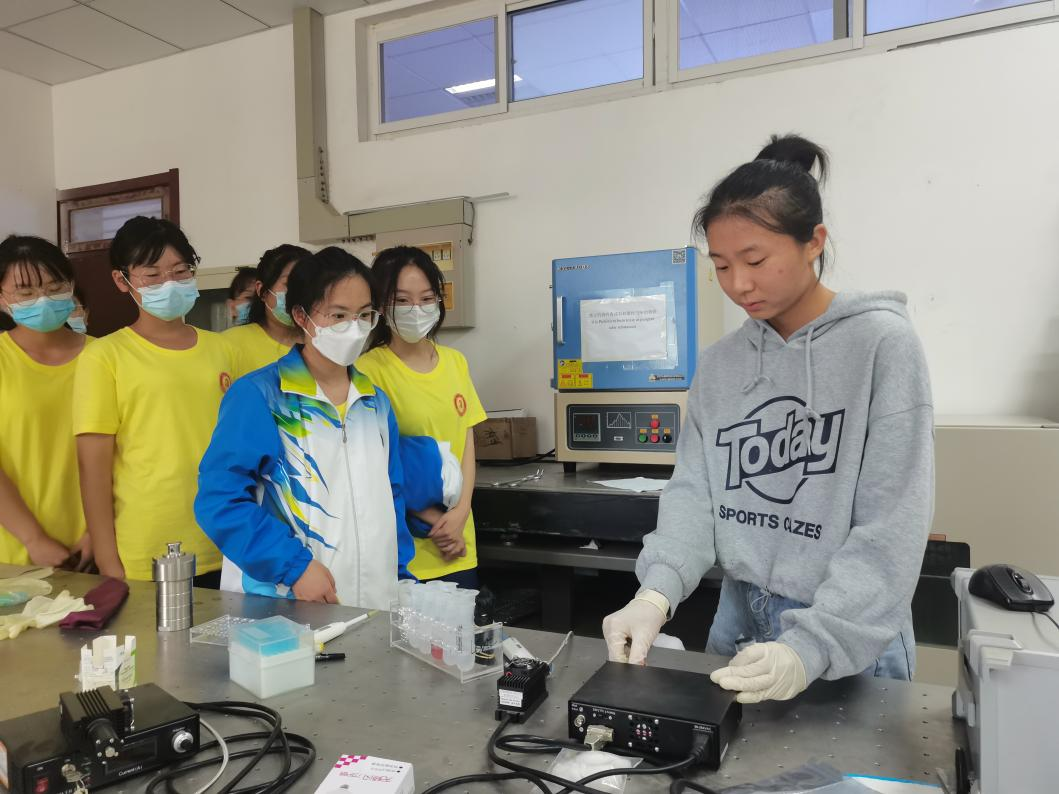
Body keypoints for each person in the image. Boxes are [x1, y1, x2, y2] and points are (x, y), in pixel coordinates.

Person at [602, 135, 934, 704]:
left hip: (849, 632)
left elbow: (891, 525)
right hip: (738, 618)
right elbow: (694, 494)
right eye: (722, 266)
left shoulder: (881, 344)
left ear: (814, 243)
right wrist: (655, 593)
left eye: (755, 261)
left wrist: (812, 645)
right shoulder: (720, 365)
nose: (739, 284)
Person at [194, 248, 461, 608]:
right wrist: (294, 568)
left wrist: (398, 576)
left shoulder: (375, 403)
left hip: (373, 602)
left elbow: (392, 497)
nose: (354, 327)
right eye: (338, 315)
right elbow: (220, 500)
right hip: (286, 603)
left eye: (364, 314)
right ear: (301, 316)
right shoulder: (261, 396)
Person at [74, 216, 235, 583]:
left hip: (225, 536)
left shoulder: (223, 348)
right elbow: (93, 469)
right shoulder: (105, 356)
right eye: (152, 274)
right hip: (146, 545)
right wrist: (107, 559)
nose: (170, 283)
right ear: (122, 280)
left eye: (181, 271)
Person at [357, 246, 486, 588]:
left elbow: (466, 442)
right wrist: (436, 522)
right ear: (380, 305)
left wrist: (461, 513)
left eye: (427, 298)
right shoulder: (367, 370)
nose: (416, 309)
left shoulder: (456, 362)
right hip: (409, 552)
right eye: (401, 300)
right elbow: (374, 463)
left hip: (459, 544)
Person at [0, 235, 92, 569]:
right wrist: (33, 538)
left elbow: (128, 454)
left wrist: (97, 530)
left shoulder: (106, 357)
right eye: (25, 292)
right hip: (12, 555)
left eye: (55, 287)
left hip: (98, 547)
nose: (43, 299)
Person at [224, 245, 312, 379]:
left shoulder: (325, 343)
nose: (298, 292)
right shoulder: (229, 343)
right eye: (289, 284)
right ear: (262, 291)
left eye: (306, 284)